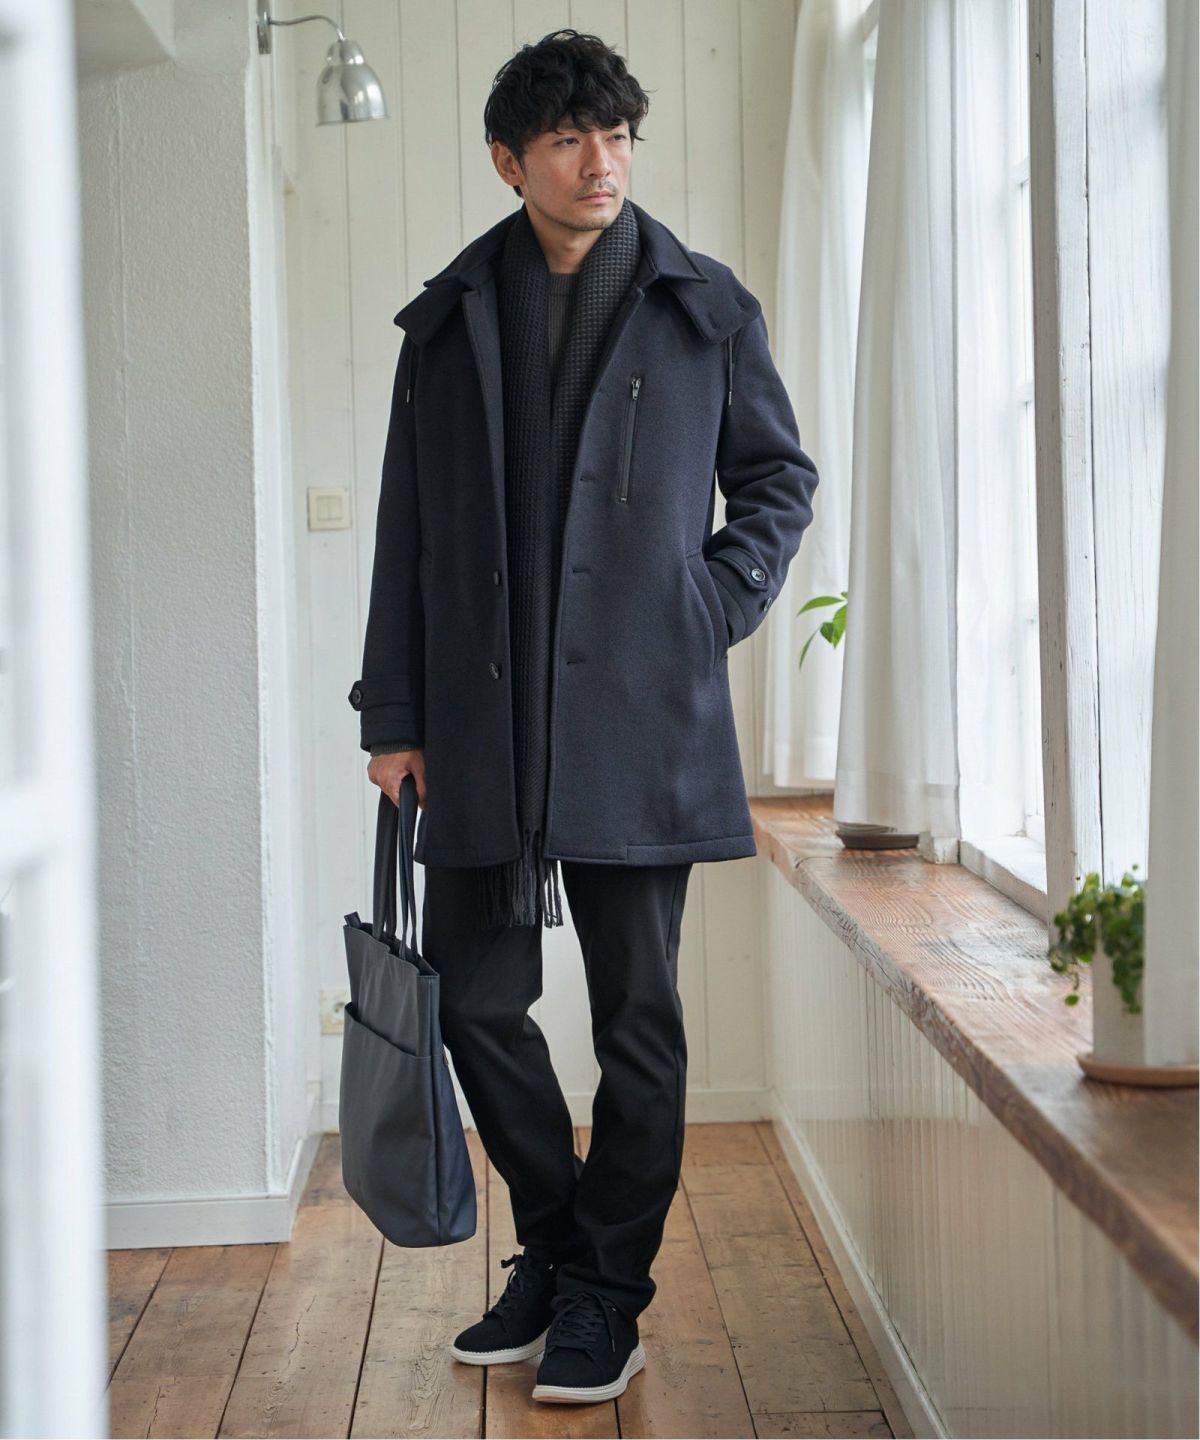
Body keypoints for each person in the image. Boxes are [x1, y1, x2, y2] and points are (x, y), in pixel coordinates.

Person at [349, 28, 818, 1407]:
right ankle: (559, 1250)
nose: (599, 161)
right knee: (476, 1003)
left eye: (615, 135)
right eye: (567, 139)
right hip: (481, 722)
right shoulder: (449, 323)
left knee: (639, 1024)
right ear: (511, 161)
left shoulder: (704, 307)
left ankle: (608, 1293)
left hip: (640, 715)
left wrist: (707, 605)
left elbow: (778, 483)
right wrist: (392, 713)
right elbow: (405, 533)